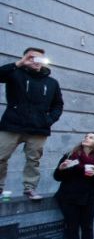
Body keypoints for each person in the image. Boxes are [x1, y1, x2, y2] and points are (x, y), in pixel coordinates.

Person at [0, 47, 64, 200]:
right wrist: (20, 63)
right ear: (26, 58)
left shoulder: (52, 82)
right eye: (32, 58)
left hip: (38, 129)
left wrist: (48, 120)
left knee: (33, 160)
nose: (37, 61)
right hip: (12, 125)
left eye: (40, 59)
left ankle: (30, 188)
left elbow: (58, 105)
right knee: (1, 156)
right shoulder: (15, 74)